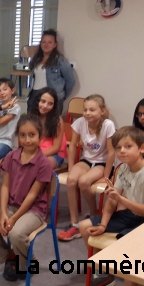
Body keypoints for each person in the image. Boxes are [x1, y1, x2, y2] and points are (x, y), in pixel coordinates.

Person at [78, 126, 144, 286]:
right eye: (118, 147)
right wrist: (103, 224)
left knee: (129, 248)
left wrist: (122, 200)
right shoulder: (123, 169)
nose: (122, 151)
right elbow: (112, 200)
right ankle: (103, 273)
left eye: (128, 146)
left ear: (142, 148)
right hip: (132, 213)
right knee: (84, 226)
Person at [0, 114, 53, 281]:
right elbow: (4, 186)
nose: (27, 140)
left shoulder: (44, 163)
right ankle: (10, 257)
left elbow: (33, 195)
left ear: (40, 136)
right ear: (17, 136)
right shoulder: (12, 156)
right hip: (11, 205)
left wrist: (14, 219)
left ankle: (25, 264)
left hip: (33, 210)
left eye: (32, 135)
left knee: (16, 234)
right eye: (23, 135)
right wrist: (4, 213)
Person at [58, 94, 115, 242]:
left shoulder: (108, 125)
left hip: (101, 163)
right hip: (86, 161)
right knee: (71, 179)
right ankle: (75, 223)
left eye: (92, 110)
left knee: (83, 182)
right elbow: (72, 147)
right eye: (85, 110)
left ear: (102, 111)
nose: (87, 113)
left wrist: (106, 176)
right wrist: (71, 166)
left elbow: (111, 153)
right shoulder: (80, 122)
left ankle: (94, 213)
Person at [27, 29, 75, 115]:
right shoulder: (36, 59)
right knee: (32, 122)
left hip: (52, 96)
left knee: (50, 124)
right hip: (35, 95)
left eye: (49, 42)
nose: (46, 45)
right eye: (43, 42)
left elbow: (70, 80)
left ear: (54, 45)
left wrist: (61, 95)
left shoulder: (60, 61)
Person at [29, 87, 67, 169]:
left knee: (39, 166)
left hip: (53, 155)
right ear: (37, 101)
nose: (45, 106)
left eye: (50, 104)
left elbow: (56, 148)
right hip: (34, 152)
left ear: (54, 106)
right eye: (43, 101)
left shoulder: (57, 120)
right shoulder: (32, 117)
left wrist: (36, 156)